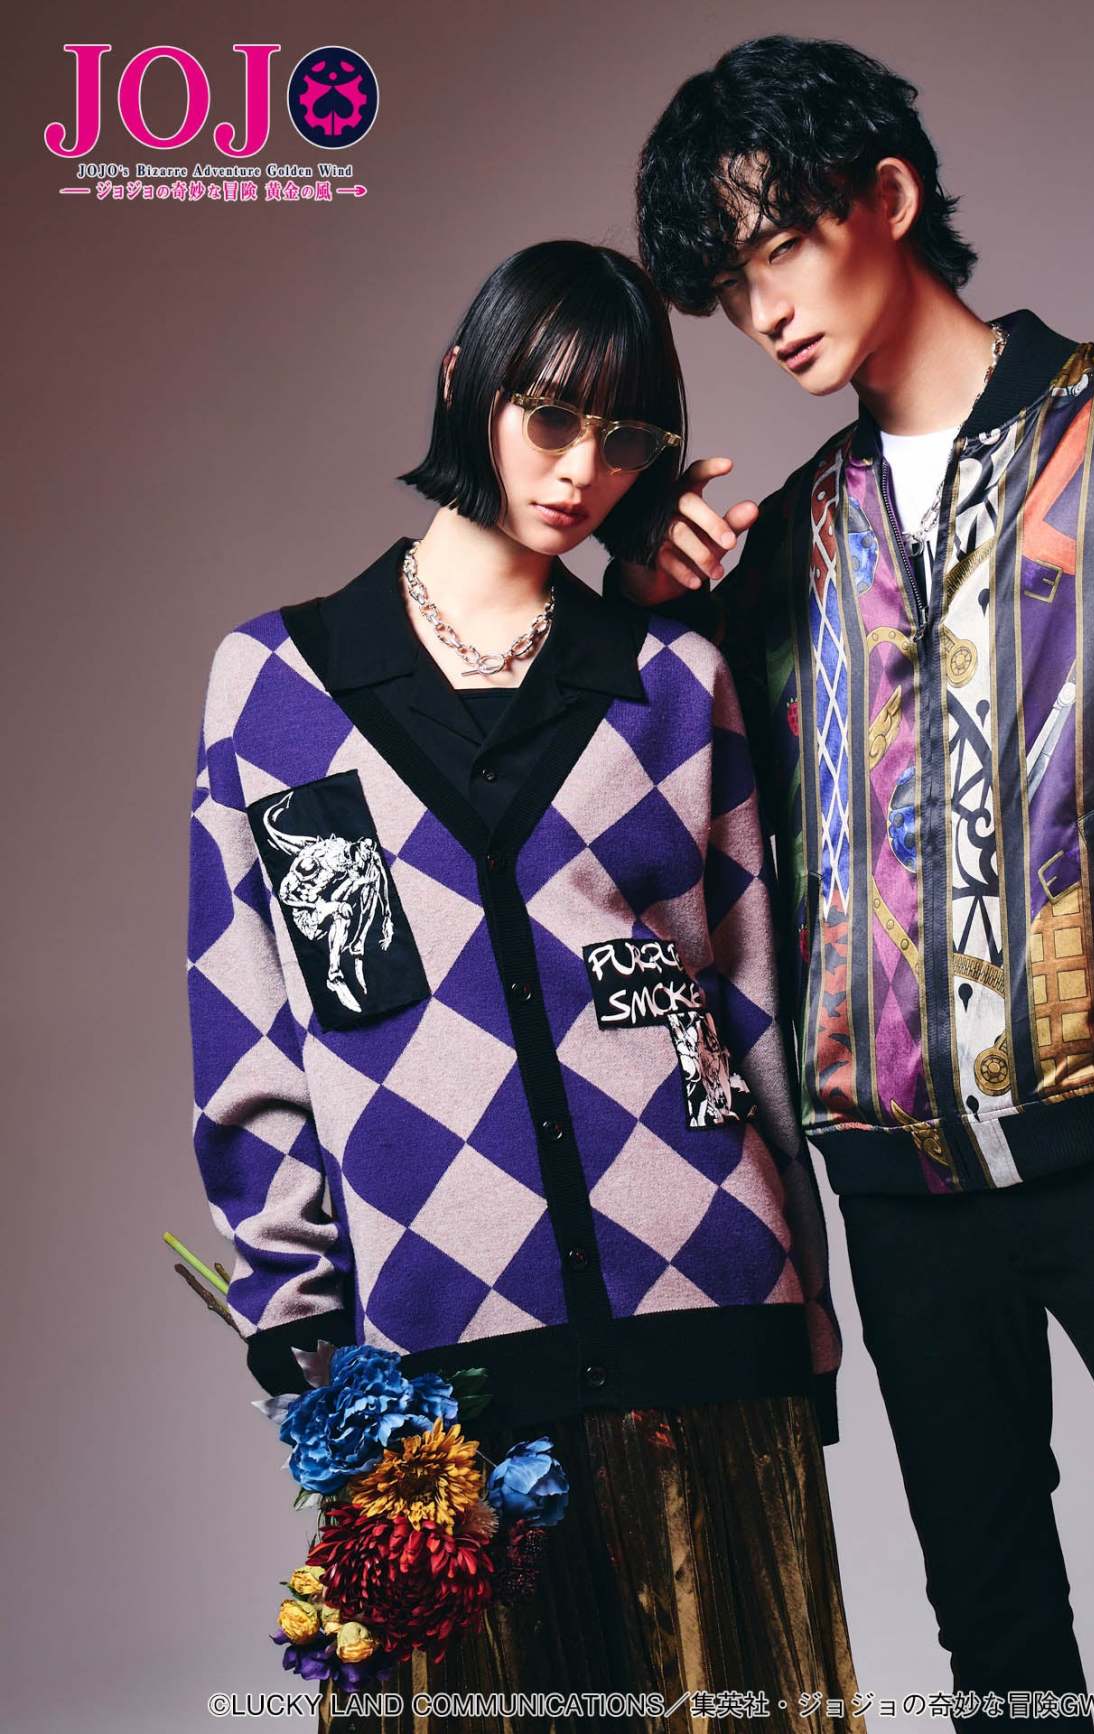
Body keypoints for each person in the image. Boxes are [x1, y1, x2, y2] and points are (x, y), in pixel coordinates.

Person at [606, 35, 1094, 1734]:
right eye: (727, 285)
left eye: (778, 246)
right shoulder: (787, 549)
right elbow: (674, 840)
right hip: (899, 1200)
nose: (761, 312)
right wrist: (640, 608)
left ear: (884, 196)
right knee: (1000, 1660)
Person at [184, 238, 864, 1731]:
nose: (580, 470)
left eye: (624, 439)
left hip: (704, 1293)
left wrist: (808, 1302)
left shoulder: (668, 677)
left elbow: (749, 1000)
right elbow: (257, 1033)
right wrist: (298, 1320)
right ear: (465, 386)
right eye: (551, 417)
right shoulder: (283, 688)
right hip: (440, 1347)